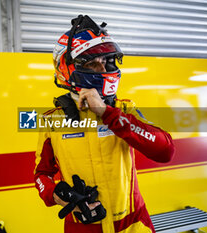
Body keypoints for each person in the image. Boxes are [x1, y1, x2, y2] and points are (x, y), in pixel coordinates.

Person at [34, 15, 175, 233]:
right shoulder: (52, 120)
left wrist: (108, 113)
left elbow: (165, 150)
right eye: (92, 63)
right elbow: (41, 175)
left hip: (133, 224)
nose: (103, 69)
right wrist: (55, 194)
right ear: (67, 68)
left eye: (107, 61)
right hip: (83, 225)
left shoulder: (124, 109)